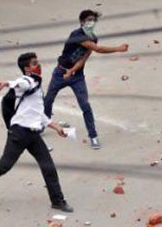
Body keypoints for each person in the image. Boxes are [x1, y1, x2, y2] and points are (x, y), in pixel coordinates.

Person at [0, 52, 73, 212]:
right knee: (4, 165)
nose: (38, 65)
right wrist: (5, 83)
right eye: (34, 63)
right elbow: (22, 83)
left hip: (33, 134)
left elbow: (38, 114)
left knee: (48, 167)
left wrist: (56, 127)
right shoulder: (25, 82)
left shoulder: (37, 86)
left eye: (37, 62)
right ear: (26, 68)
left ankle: (57, 201)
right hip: (19, 133)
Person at [44, 10, 129, 150]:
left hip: (76, 76)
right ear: (82, 21)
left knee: (85, 106)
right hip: (60, 72)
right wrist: (118, 49)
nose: (92, 23)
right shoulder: (76, 35)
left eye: (94, 20)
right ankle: (42, 124)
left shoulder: (93, 37)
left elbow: (84, 58)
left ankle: (93, 136)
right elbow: (98, 49)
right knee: (48, 100)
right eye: (89, 19)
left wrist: (72, 71)